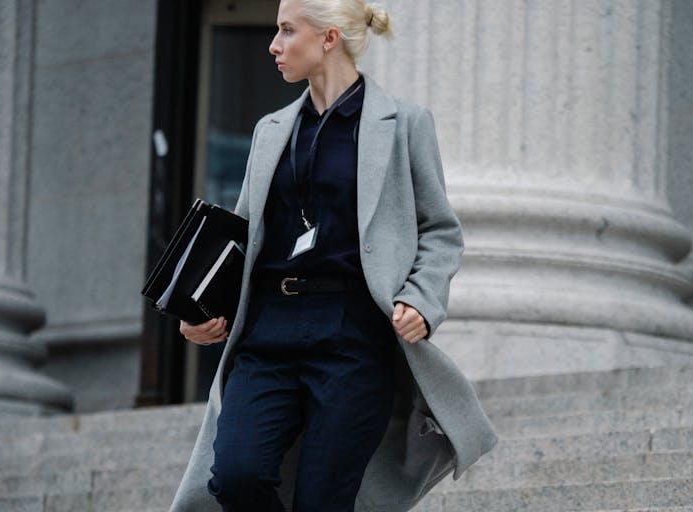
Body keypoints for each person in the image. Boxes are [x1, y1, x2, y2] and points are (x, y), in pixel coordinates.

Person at [169, 1, 497, 510]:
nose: (273, 46)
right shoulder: (270, 130)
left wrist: (421, 299)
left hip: (353, 338)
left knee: (324, 499)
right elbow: (241, 240)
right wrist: (202, 312)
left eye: (286, 31)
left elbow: (440, 230)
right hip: (267, 334)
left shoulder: (404, 123)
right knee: (237, 475)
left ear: (328, 39)